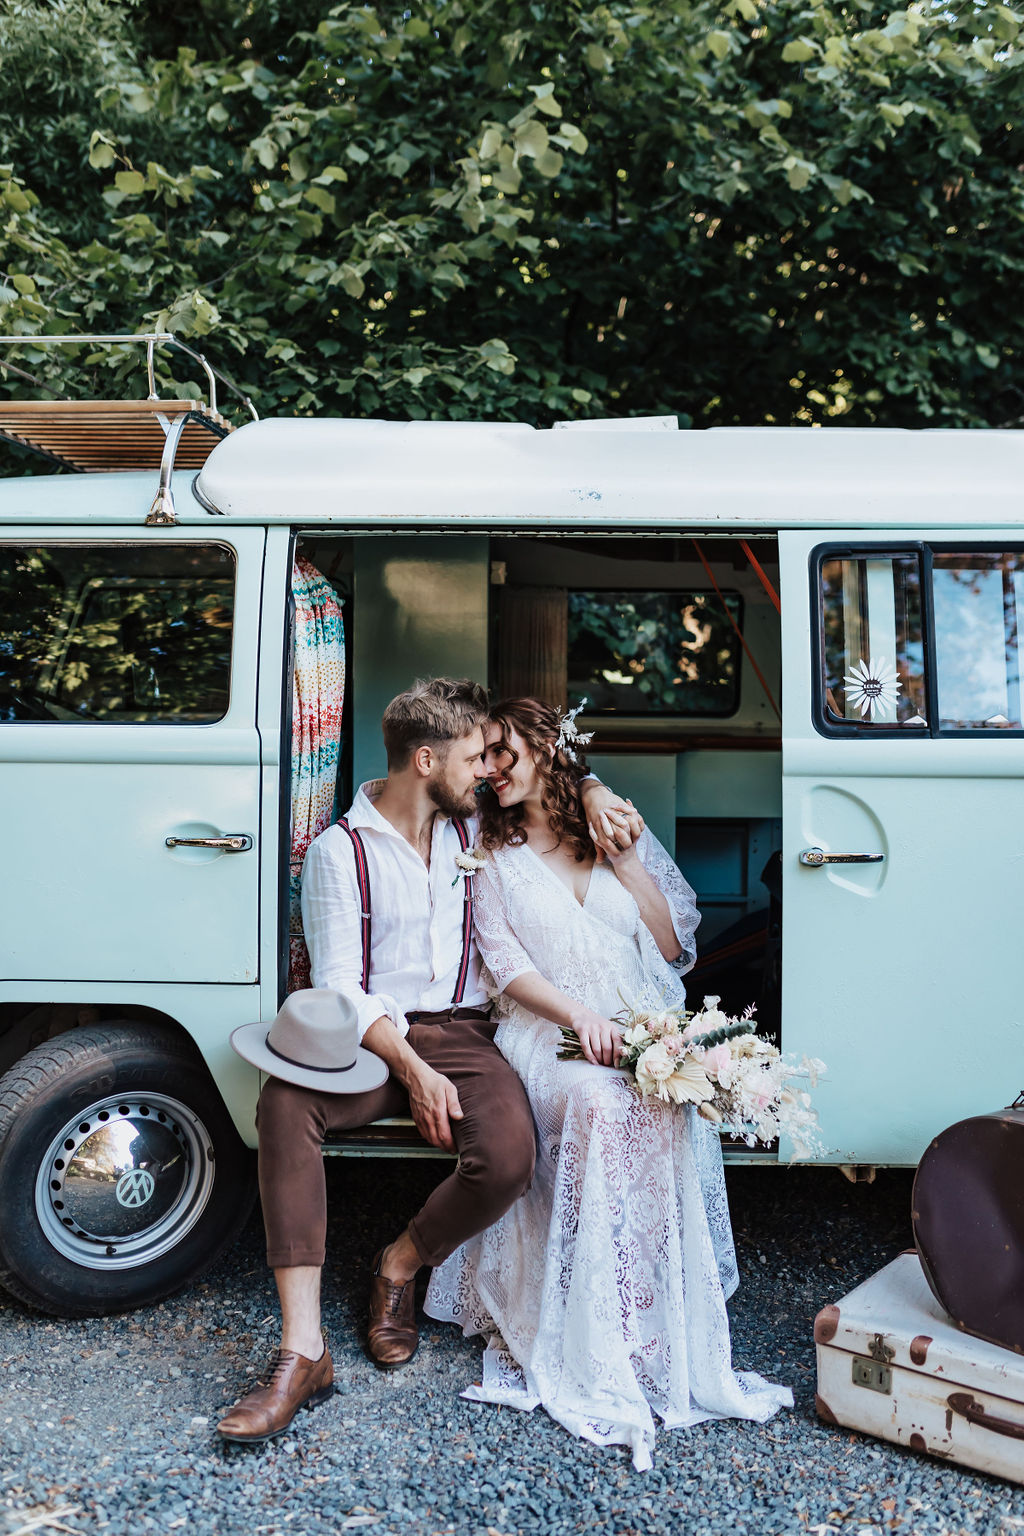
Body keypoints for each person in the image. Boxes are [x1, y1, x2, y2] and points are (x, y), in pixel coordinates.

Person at [218, 677, 629, 1443]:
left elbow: (545, 769)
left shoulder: (472, 828)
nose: (487, 772)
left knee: (507, 1158)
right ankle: (301, 1352)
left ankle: (399, 1264)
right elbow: (342, 986)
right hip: (372, 1040)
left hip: (468, 1034)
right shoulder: (339, 853)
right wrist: (412, 1068)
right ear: (427, 759)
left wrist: (599, 788)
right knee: (284, 1104)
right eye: (474, 757)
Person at [425, 698, 792, 1471]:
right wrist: (583, 1017)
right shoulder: (487, 852)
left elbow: (673, 942)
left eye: (502, 752)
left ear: (548, 748)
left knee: (661, 1103)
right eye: (483, 758)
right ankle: (588, 1318)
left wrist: (626, 862)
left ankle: (647, 1310)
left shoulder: (614, 823)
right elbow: (505, 966)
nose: (490, 770)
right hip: (549, 1033)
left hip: (643, 1025)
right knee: (598, 1102)